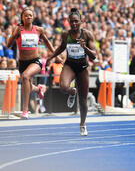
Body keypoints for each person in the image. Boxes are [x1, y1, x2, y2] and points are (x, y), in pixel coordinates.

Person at [46, 8, 97, 136]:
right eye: (71, 22)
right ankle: (72, 92)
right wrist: (51, 57)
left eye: (76, 21)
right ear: (69, 22)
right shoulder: (65, 35)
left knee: (83, 100)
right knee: (63, 86)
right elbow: (62, 47)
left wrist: (84, 48)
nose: (74, 24)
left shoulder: (87, 35)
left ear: (81, 21)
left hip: (82, 67)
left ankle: (82, 124)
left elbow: (94, 56)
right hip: (70, 65)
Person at [6, 7, 60, 119]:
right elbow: (8, 45)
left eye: (30, 15)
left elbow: (47, 42)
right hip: (22, 63)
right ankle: (38, 89)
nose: (28, 17)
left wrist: (56, 55)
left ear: (33, 17)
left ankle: (25, 111)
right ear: (22, 18)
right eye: (26, 15)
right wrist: (13, 35)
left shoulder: (39, 30)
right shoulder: (18, 29)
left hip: (35, 61)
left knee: (25, 77)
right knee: (28, 85)